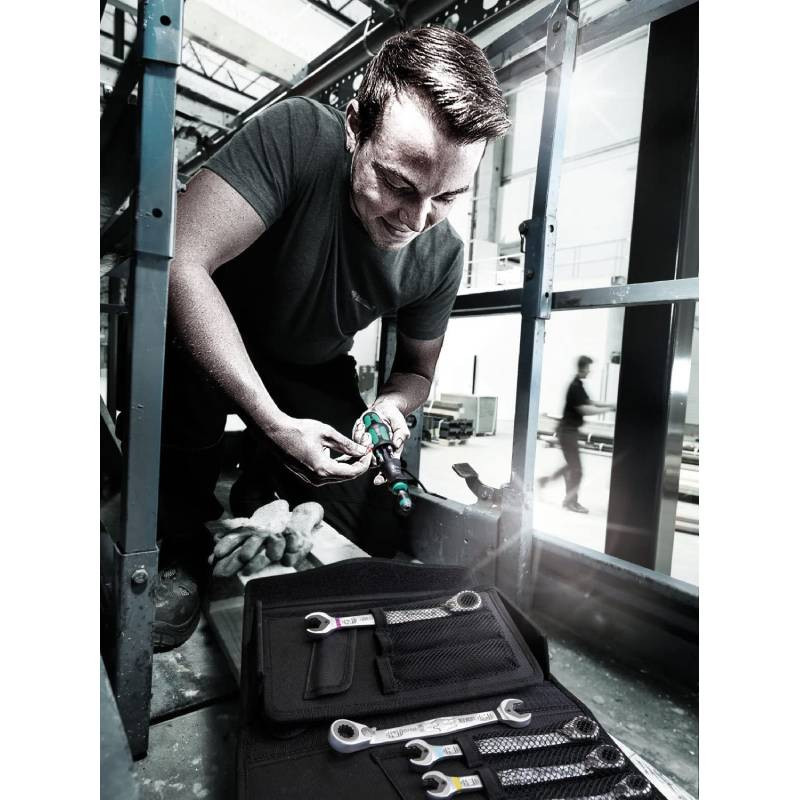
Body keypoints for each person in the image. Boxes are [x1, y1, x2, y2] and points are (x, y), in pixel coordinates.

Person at [144, 26, 510, 648]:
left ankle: (264, 484)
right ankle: (176, 545)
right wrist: (271, 422)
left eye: (447, 197)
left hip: (311, 366)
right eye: (398, 184)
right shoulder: (300, 135)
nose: (416, 219)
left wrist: (390, 409)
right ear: (354, 128)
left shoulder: (441, 254)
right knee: (184, 411)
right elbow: (183, 262)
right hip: (215, 335)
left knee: (366, 515)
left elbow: (414, 374)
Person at [538, 356, 616, 514]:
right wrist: (608, 409)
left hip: (569, 431)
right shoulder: (574, 386)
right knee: (577, 469)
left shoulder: (579, 385)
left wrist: (612, 405)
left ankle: (545, 481)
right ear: (583, 368)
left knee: (570, 466)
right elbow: (584, 410)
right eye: (588, 368)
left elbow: (590, 402)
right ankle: (570, 502)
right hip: (567, 432)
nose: (590, 371)